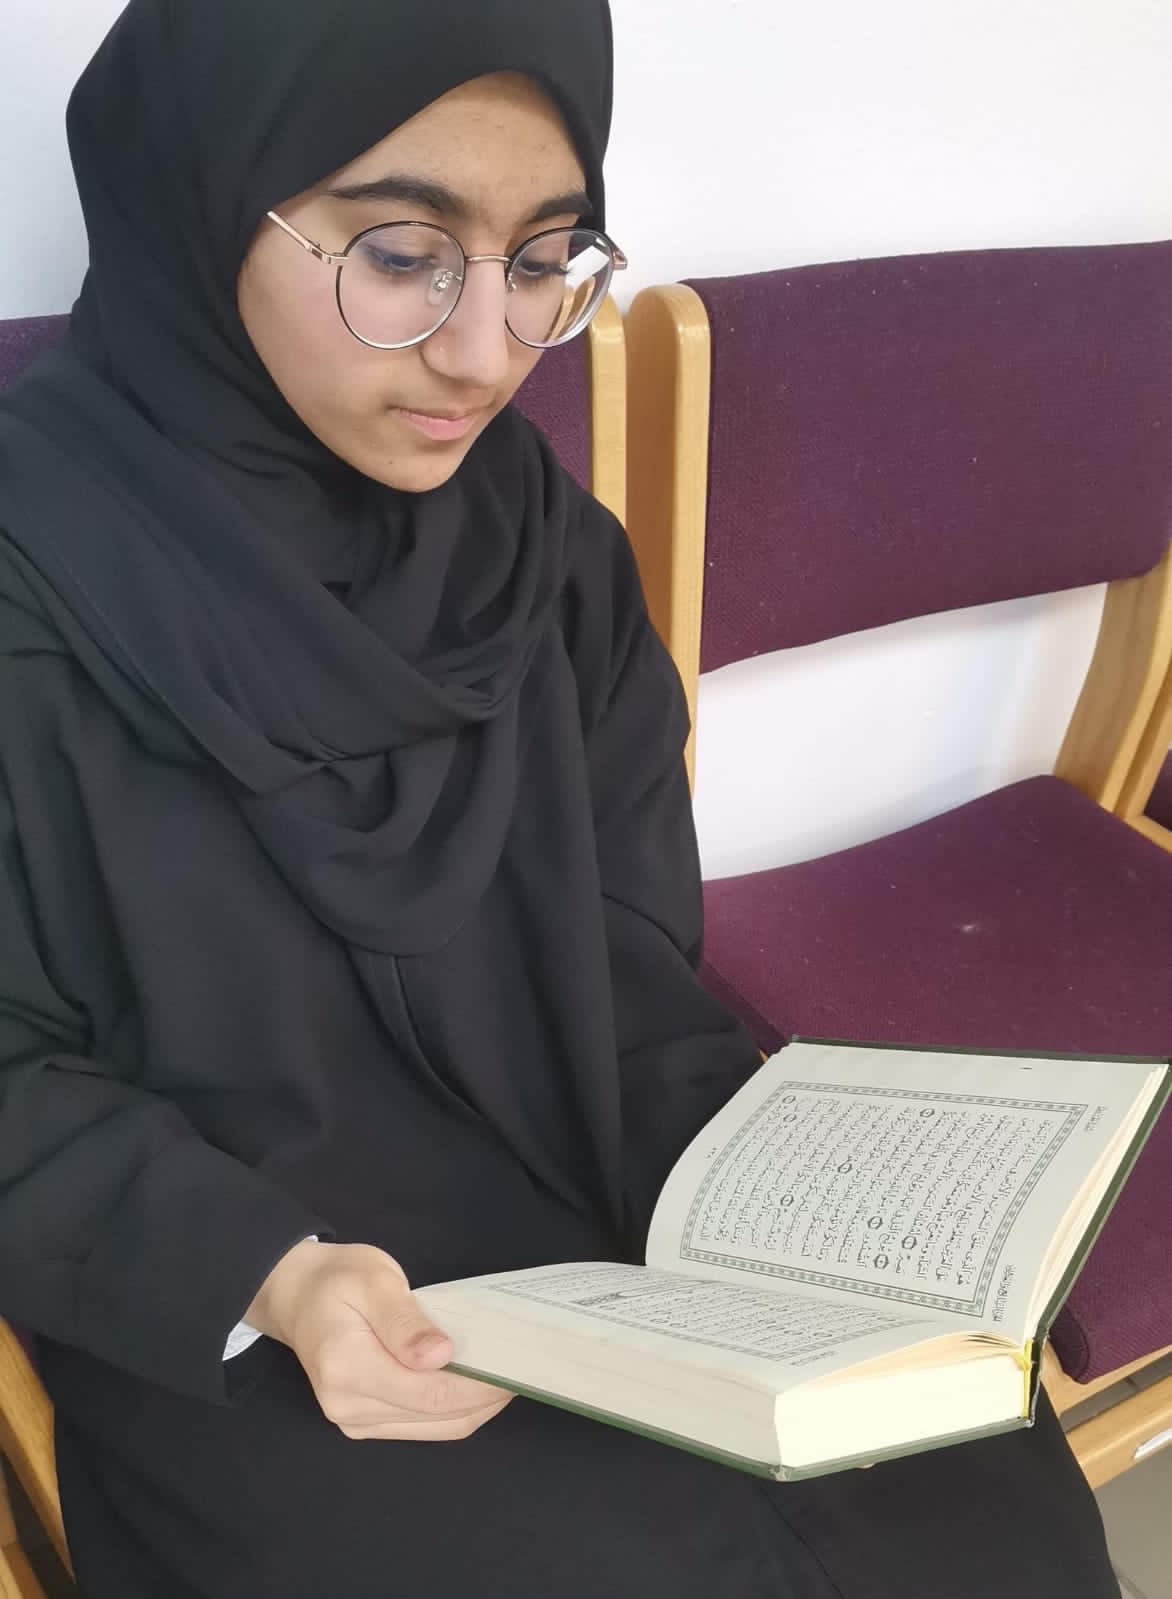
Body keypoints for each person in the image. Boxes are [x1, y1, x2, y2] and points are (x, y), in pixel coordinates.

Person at [0, 2, 1121, 1594]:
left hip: (602, 1178)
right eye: (403, 255)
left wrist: (787, 1206)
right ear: (196, 195)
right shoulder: (32, 586)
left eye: (543, 259)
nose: (488, 352)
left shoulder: (536, 549)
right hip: (244, 1274)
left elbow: (624, 944)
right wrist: (271, 1280)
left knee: (965, 1503)